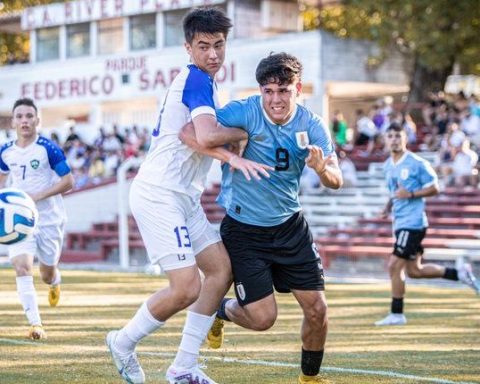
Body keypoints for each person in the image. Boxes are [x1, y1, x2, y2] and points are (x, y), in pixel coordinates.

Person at [105, 7, 271, 384]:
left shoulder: (207, 83)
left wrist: (230, 148)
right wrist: (247, 132)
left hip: (183, 197)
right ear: (188, 48)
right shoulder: (195, 79)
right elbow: (208, 135)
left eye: (219, 45)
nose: (213, 54)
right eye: (203, 46)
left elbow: (196, 138)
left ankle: (182, 368)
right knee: (185, 287)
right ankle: (122, 342)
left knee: (220, 270)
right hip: (159, 194)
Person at [181, 52, 343, 384]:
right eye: (268, 91)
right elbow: (189, 132)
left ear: (298, 88)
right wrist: (227, 154)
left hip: (290, 228)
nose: (275, 99)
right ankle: (219, 310)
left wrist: (322, 169)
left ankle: (309, 379)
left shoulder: (311, 124)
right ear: (260, 91)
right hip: (244, 231)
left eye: (283, 91)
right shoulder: (243, 111)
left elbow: (336, 180)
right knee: (262, 319)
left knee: (318, 311)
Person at [374, 123, 480, 327]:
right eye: (391, 136)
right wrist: (387, 208)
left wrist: (411, 194)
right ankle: (460, 274)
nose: (394, 139)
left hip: (412, 223)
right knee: (414, 270)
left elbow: (435, 187)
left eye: (398, 135)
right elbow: (395, 192)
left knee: (394, 265)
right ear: (386, 140)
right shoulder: (388, 165)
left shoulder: (416, 163)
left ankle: (397, 314)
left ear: (405, 138)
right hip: (400, 223)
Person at [0, 97, 74, 339]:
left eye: (29, 116)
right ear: (13, 122)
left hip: (49, 218)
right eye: (19, 116)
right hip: (19, 220)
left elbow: (68, 181)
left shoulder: (48, 149)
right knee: (21, 267)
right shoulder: (5, 152)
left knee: (46, 273)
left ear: (37, 120)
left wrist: (38, 195)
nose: (24, 121)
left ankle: (55, 282)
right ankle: (36, 324)